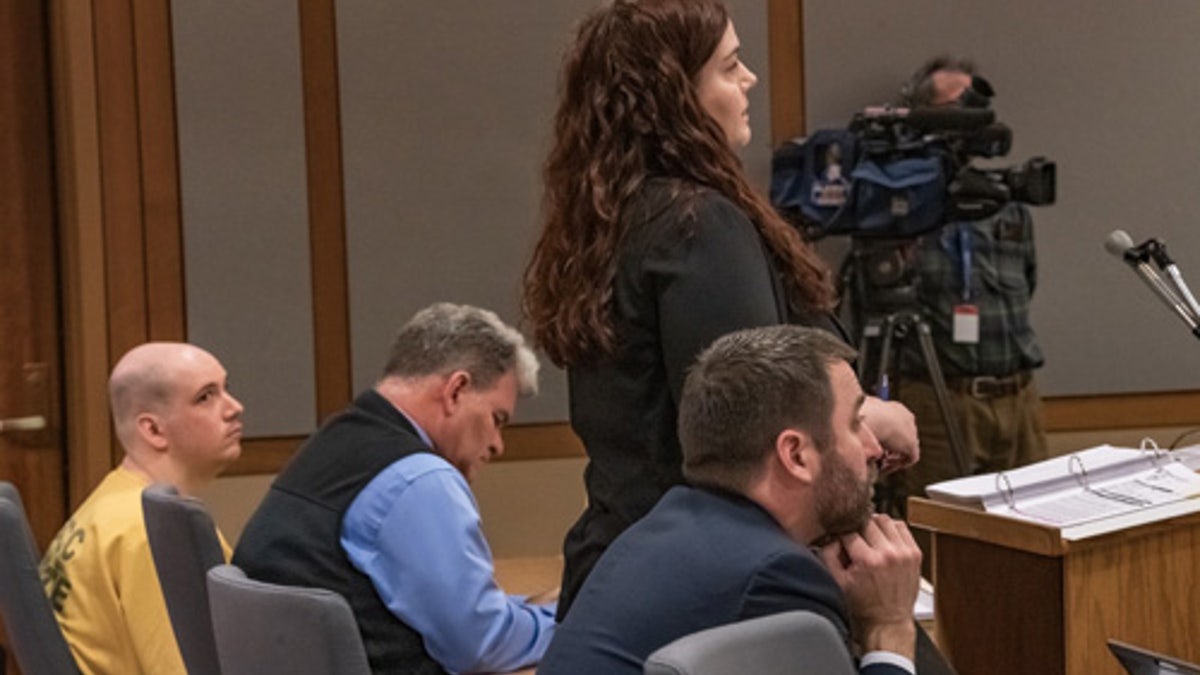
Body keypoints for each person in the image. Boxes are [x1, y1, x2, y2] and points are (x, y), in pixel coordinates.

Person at [522, 0, 920, 618]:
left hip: (633, 563)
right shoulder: (697, 225)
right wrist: (869, 417)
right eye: (730, 66)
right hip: (712, 585)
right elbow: (751, 432)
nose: (749, 79)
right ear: (674, 97)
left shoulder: (615, 217)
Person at [536, 325, 921, 675]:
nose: (874, 448)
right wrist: (889, 626)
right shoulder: (777, 577)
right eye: (856, 424)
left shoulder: (662, 528)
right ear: (797, 455)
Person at [234, 303, 555, 675]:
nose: (498, 444)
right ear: (456, 390)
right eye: (497, 419)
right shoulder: (417, 478)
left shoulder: (335, 441)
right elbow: (480, 645)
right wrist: (575, 624)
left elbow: (454, 617)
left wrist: (527, 612)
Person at [887, 55, 1048, 511]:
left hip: (1018, 397)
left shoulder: (1006, 199)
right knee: (943, 538)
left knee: (1036, 529)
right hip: (940, 402)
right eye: (957, 104)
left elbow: (1029, 282)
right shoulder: (901, 203)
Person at [39, 342, 244, 675]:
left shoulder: (109, 505)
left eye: (226, 389)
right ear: (153, 429)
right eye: (206, 397)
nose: (234, 407)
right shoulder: (154, 532)